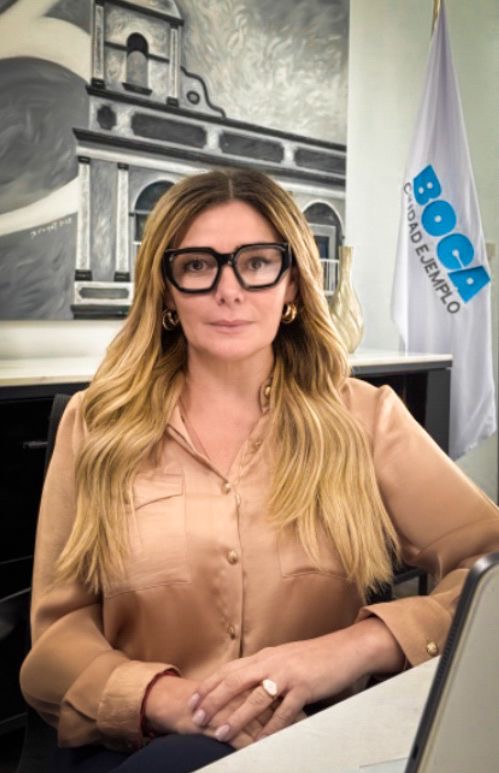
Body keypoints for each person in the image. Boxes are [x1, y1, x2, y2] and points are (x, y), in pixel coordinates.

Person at [20, 168, 499, 773]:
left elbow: (490, 564)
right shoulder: (95, 425)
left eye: (257, 263)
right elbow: (56, 641)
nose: (229, 290)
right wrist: (169, 700)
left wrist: (357, 646)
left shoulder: (365, 418)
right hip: (147, 749)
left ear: (292, 283)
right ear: (166, 291)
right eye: (198, 265)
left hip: (319, 746)